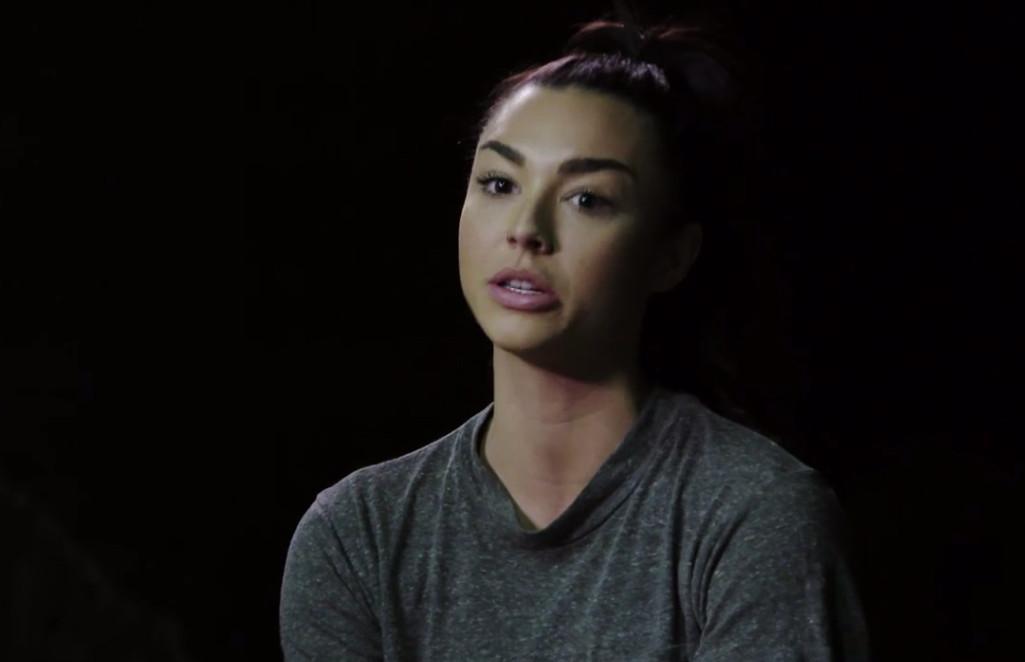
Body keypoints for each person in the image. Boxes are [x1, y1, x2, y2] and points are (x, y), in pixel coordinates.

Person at [280, 11, 871, 661]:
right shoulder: (357, 535)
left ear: (670, 256)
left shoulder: (753, 515)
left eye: (587, 199)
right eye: (499, 184)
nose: (526, 229)